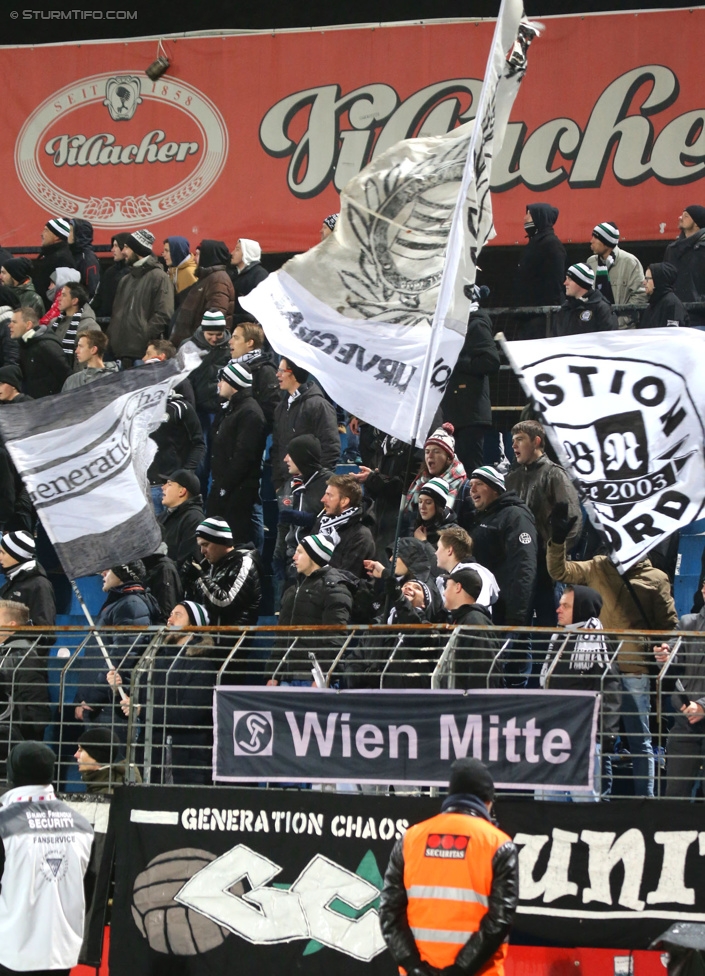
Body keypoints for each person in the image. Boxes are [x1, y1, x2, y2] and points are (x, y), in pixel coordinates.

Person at [547, 501, 679, 797]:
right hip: (598, 670)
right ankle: (601, 802)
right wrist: (557, 541)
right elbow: (559, 569)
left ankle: (644, 802)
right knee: (601, 741)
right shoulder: (598, 566)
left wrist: (665, 648)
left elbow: (670, 627)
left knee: (639, 741)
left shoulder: (656, 579)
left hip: (633, 670)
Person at [379, 757, 518, 976]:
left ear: (451, 795)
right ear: (488, 801)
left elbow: (389, 915)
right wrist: (458, 971)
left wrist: (415, 968)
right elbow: (499, 922)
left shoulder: (410, 839)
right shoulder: (499, 845)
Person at [0, 741, 94, 975]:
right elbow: (88, 887)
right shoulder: (81, 825)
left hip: (11, 952)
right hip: (61, 953)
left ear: (13, 772)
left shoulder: (4, 824)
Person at [113, 601, 219, 785]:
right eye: (170, 614)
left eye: (178, 615)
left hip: (182, 761)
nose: (170, 620)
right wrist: (119, 692)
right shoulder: (156, 659)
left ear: (194, 625)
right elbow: (136, 705)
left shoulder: (202, 665)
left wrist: (141, 710)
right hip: (150, 755)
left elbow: (190, 714)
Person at [541, 585, 621, 799]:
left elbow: (610, 687)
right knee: (548, 798)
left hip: (584, 734)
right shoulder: (559, 638)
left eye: (565, 606)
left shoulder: (597, 641)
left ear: (581, 609)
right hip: (554, 733)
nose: (558, 609)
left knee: (585, 802)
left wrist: (605, 734)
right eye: (560, 604)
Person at [506, 419, 581, 625]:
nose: (513, 446)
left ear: (536, 441)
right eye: (513, 440)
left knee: (547, 629)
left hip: (547, 571)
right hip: (520, 567)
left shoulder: (555, 474)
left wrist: (554, 555)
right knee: (518, 629)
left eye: (519, 440)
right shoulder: (511, 478)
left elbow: (573, 521)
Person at [73, 561, 160, 736]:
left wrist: (92, 699)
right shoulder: (120, 602)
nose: (102, 572)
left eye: (108, 568)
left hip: (110, 704)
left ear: (123, 573)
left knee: (110, 761)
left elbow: (122, 658)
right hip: (103, 702)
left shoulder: (132, 605)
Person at [266, 535, 352, 685]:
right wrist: (272, 674)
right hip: (286, 678)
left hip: (313, 680)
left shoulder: (335, 588)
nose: (294, 557)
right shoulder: (292, 590)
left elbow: (335, 640)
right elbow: (281, 637)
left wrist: (320, 678)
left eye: (299, 552)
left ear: (314, 555)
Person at [461, 466, 538, 629]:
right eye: (471, 484)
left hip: (505, 613)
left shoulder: (515, 516)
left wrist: (516, 615)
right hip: (486, 609)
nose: (472, 489)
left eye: (479, 484)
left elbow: (524, 565)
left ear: (495, 489)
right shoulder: (481, 518)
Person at [653, 582, 705, 798]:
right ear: (702, 589)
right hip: (685, 727)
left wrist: (702, 705)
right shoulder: (687, 623)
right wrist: (663, 656)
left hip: (696, 713)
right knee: (674, 799)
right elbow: (671, 660)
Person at [206, 361, 267, 545]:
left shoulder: (250, 413)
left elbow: (244, 456)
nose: (219, 385)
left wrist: (225, 487)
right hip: (224, 487)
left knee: (234, 542)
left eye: (222, 380)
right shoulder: (230, 408)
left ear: (233, 383)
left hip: (237, 492)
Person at [441, 287, 500, 472]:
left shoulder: (477, 324)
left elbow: (491, 361)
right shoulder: (461, 325)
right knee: (458, 470)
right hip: (460, 411)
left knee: (469, 469)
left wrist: (458, 361)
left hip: (470, 412)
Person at [275, 434, 333, 595]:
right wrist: (278, 555)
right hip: (291, 563)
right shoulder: (289, 485)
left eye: (290, 455)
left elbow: (338, 524)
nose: (286, 459)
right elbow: (283, 524)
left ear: (302, 457)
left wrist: (311, 521)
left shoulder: (330, 483)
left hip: (316, 565)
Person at [271, 357, 340, 492]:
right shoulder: (281, 407)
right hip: (287, 487)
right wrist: (278, 483)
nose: (277, 374)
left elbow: (331, 448)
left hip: (312, 488)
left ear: (294, 373)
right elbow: (277, 447)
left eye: (281, 370)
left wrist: (320, 483)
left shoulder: (319, 406)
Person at [108, 229, 174, 367]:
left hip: (142, 355)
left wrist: (144, 335)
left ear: (137, 250)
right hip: (120, 353)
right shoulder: (125, 279)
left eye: (126, 247)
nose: (123, 251)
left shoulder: (159, 277)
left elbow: (164, 313)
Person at [183, 517, 262, 630]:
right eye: (200, 545)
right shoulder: (210, 565)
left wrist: (200, 577)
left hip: (233, 642)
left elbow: (224, 602)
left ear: (222, 542)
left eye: (205, 545)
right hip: (209, 641)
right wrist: (189, 582)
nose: (202, 551)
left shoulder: (244, 562)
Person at [441, 568, 502, 688]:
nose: (444, 593)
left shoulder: (475, 622)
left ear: (458, 587)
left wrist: (474, 703)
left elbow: (483, 670)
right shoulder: (463, 619)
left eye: (447, 587)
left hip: (469, 703)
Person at [0, 600, 50, 742]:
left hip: (12, 742)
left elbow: (37, 713)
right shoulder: (6, 652)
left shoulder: (24, 656)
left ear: (11, 626)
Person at [514, 202, 566, 337]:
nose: (525, 218)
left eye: (529, 215)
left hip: (543, 319)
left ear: (540, 217)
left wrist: (551, 313)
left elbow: (555, 283)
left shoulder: (552, 245)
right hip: (529, 316)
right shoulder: (535, 243)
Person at [170, 239, 235, 346]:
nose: (194, 259)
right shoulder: (207, 278)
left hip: (201, 346)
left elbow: (215, 316)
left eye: (198, 254)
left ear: (209, 256)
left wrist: (199, 342)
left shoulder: (218, 280)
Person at [0, 532, 56, 651]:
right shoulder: (8, 585)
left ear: (16, 554)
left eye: (2, 552)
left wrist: (11, 637)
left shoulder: (40, 585)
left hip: (24, 661)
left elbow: (46, 631)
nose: (0, 557)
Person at [586, 221, 646, 328]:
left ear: (606, 242)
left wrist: (620, 322)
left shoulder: (630, 262)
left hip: (622, 332)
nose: (591, 241)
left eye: (596, 238)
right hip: (595, 330)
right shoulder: (591, 262)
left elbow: (640, 296)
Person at [314, 474, 375, 579]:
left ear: (344, 501)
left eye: (329, 495)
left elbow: (346, 578)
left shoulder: (361, 535)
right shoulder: (322, 523)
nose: (323, 499)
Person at [406, 423, 467, 525]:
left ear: (448, 457)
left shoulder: (464, 488)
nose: (430, 456)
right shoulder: (420, 482)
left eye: (436, 451)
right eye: (427, 451)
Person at [228, 316, 280, 431]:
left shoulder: (266, 371)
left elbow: (271, 412)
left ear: (249, 343)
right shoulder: (230, 368)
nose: (230, 342)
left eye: (236, 338)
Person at [435, 524, 499, 612]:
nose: (436, 553)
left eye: (438, 548)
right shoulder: (443, 579)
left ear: (449, 550)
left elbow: (479, 607)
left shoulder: (478, 573)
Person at [10, 306, 69, 398]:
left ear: (28, 325)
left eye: (14, 322)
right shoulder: (24, 345)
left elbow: (66, 376)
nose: (10, 325)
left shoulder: (46, 346)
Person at [663, 205, 705, 328]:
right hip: (675, 316)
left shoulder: (702, 250)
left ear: (696, 223)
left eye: (686, 216)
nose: (680, 217)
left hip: (700, 317)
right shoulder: (672, 249)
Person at [551, 263, 619, 336]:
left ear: (581, 282)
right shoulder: (565, 308)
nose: (565, 283)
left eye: (570, 279)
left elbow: (610, 338)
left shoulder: (601, 308)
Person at [158, 469, 205, 566]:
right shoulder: (165, 514)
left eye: (169, 484)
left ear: (182, 491)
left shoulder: (194, 520)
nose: (163, 487)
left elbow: (188, 564)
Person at [32, 217, 75, 311]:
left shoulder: (62, 259)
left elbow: (61, 293)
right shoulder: (50, 255)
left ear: (57, 237)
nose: (42, 234)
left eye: (46, 231)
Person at [75, 727, 136, 793]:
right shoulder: (99, 785)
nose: (75, 755)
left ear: (96, 755)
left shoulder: (113, 793)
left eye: (81, 750)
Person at [50, 282, 98, 365]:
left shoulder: (89, 326)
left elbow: (86, 364)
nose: (59, 298)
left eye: (64, 295)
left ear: (74, 301)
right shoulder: (53, 322)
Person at [90, 233, 130, 328]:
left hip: (122, 325)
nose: (112, 250)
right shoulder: (109, 272)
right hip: (102, 323)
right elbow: (98, 296)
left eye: (116, 246)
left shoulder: (133, 273)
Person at [639, 262, 689, 329]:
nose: (644, 282)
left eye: (647, 279)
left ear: (658, 280)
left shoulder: (672, 305)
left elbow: (673, 335)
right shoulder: (653, 305)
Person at [412, 478, 457, 549]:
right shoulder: (417, 525)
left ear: (439, 506)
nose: (422, 507)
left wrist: (423, 542)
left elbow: (440, 559)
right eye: (420, 501)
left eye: (428, 502)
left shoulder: (452, 532)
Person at [229, 238, 268, 303]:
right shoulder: (235, 274)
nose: (232, 253)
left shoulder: (260, 275)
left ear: (247, 253)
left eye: (237, 250)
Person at [68, 218, 100, 297]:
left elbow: (93, 290)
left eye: (70, 231)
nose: (67, 234)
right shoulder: (72, 255)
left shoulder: (88, 259)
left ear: (79, 234)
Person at [163, 236, 198, 302]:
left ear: (177, 251)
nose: (164, 254)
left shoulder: (190, 273)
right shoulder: (173, 270)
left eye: (167, 251)